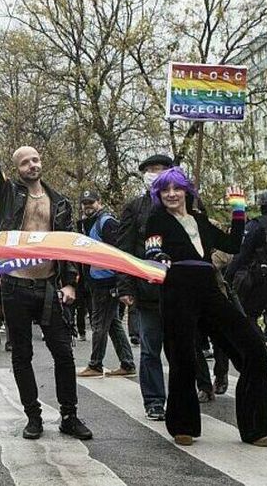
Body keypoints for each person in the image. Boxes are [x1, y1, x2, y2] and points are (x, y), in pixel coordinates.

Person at [0, 102, 91, 441]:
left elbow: (68, 244)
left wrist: (70, 282)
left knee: (63, 352)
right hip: (15, 285)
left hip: (48, 287)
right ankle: (34, 416)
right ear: (17, 168)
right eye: (25, 161)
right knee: (22, 354)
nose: (32, 164)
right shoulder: (9, 193)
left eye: (35, 159)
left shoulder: (59, 202)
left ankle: (70, 415)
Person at [142, 167, 267, 447]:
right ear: (158, 194)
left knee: (253, 348)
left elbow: (233, 244)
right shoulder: (157, 219)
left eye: (176, 189)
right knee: (183, 359)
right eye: (165, 190)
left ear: (187, 191)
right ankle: (183, 425)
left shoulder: (200, 221)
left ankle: (256, 428)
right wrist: (159, 256)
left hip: (209, 289)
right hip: (177, 290)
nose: (171, 194)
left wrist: (238, 211)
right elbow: (152, 247)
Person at [116, 153, 172, 421]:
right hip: (148, 290)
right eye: (150, 169)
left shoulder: (185, 205)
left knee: (182, 348)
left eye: (160, 169)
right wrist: (125, 286)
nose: (154, 173)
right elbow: (124, 249)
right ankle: (153, 400)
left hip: (180, 290)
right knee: (150, 349)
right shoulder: (135, 208)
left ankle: (195, 390)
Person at [76, 190, 136, 378]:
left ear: (99, 203)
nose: (87, 206)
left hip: (106, 281)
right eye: (84, 203)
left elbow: (119, 252)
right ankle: (127, 363)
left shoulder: (106, 222)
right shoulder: (90, 224)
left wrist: (120, 282)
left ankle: (95, 364)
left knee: (99, 323)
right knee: (112, 325)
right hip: (98, 281)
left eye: (91, 203)